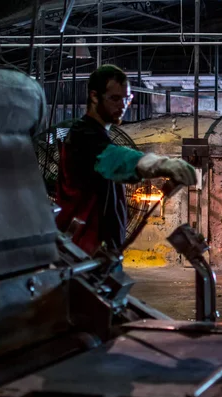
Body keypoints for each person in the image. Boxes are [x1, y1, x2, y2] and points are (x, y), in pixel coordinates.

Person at [56, 64, 197, 256]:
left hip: (99, 251)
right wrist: (159, 164)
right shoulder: (83, 136)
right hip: (83, 252)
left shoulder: (98, 135)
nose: (122, 106)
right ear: (94, 96)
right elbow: (113, 158)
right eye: (115, 98)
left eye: (127, 99)